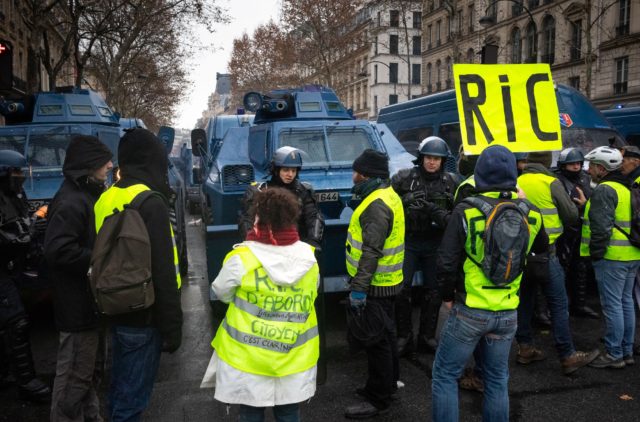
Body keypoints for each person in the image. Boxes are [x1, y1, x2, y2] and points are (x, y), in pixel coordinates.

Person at [432, 145, 547, 422]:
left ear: (480, 174)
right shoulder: (530, 213)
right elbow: (542, 251)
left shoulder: (466, 211)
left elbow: (446, 262)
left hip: (470, 308)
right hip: (508, 311)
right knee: (497, 380)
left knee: (445, 375)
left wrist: (447, 297)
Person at [94, 128, 183, 421]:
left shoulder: (106, 197)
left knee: (120, 389)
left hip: (114, 306)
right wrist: (172, 326)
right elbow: (163, 268)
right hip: (146, 312)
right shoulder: (150, 201)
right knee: (132, 401)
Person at [210, 187, 320, 422]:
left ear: (259, 219)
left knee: (251, 412)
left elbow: (220, 292)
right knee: (289, 412)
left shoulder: (242, 259)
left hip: (249, 358)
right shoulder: (309, 259)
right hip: (293, 357)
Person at [44, 136, 113, 421]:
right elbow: (58, 251)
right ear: (88, 165)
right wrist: (99, 255)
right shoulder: (72, 200)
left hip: (86, 306)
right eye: (103, 161)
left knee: (86, 376)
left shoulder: (83, 194)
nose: (110, 165)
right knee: (74, 377)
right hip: (77, 308)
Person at [515, 151, 598, 374]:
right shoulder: (551, 182)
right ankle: (567, 354)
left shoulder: (517, 181)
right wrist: (579, 206)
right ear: (547, 162)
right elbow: (570, 215)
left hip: (522, 254)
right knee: (559, 303)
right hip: (546, 253)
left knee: (525, 301)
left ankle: (525, 348)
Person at [344, 149, 404, 419]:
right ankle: (385, 386)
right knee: (387, 337)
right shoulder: (388, 195)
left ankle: (378, 399)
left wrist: (359, 288)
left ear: (366, 175)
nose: (354, 176)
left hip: (375, 285)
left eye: (356, 172)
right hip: (389, 281)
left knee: (376, 342)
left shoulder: (375, 205)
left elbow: (371, 251)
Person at [391, 136, 458, 355]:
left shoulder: (451, 181)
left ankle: (427, 337)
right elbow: (387, 205)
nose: (432, 162)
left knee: (434, 291)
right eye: (429, 157)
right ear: (421, 158)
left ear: (442, 161)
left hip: (435, 242)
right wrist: (405, 200)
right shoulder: (403, 178)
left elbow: (458, 213)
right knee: (402, 290)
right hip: (409, 240)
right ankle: (404, 336)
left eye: (437, 159)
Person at [581, 146, 640, 368]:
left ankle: (614, 354)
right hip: (632, 254)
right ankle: (626, 351)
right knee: (625, 303)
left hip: (612, 257)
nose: (588, 170)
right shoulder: (626, 187)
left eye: (591, 165)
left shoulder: (605, 189)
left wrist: (596, 254)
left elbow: (601, 229)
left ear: (601, 167)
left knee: (613, 305)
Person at [0, 150, 51, 402]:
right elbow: (10, 237)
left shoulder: (14, 195)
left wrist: (33, 217)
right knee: (16, 323)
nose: (22, 177)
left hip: (11, 269)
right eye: (18, 172)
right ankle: (26, 381)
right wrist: (34, 223)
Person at [239, 146, 324, 249]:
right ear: (276, 170)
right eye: (286, 170)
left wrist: (313, 242)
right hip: (265, 246)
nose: (290, 174)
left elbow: (313, 217)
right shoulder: (259, 191)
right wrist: (250, 244)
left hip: (296, 247)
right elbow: (247, 220)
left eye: (294, 170)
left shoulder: (303, 191)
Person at [554, 148, 599, 318]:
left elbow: (593, 199)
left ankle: (579, 305)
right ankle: (560, 306)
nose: (575, 166)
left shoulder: (586, 179)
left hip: (583, 229)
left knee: (581, 268)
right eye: (571, 163)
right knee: (562, 269)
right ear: (563, 165)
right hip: (565, 231)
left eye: (578, 163)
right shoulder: (557, 180)